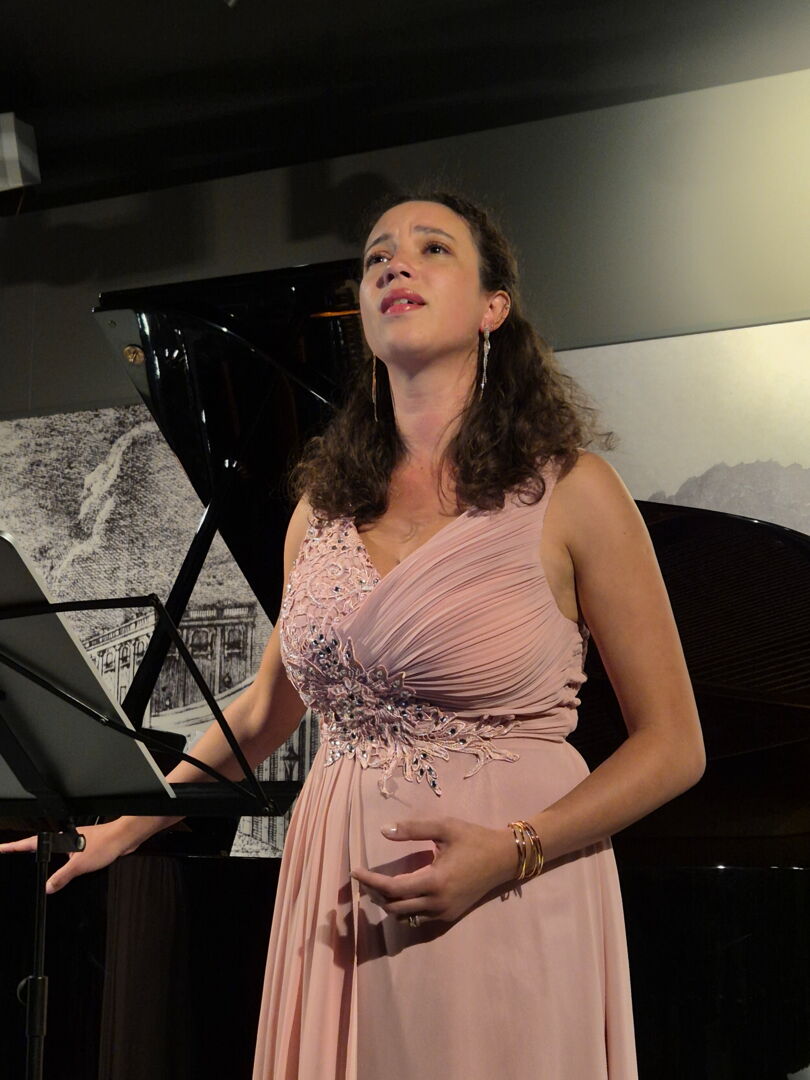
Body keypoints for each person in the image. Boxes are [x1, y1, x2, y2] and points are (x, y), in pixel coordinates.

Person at [0, 192, 705, 1079]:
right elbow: (262, 713)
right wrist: (122, 826)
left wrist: (513, 849)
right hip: (334, 883)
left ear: (493, 308)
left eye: (432, 248)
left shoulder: (574, 492)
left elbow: (675, 745)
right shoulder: (319, 514)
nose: (395, 264)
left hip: (511, 878)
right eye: (377, 257)